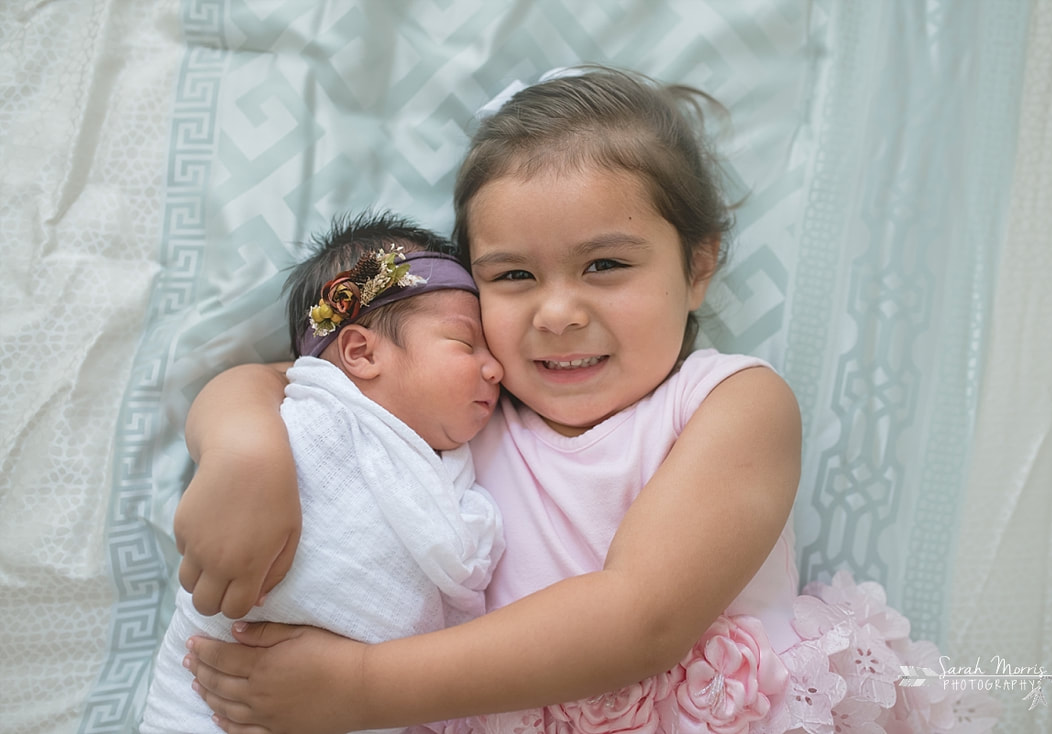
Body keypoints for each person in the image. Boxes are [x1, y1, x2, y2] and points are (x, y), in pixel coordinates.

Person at [174, 67, 998, 734]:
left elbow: (640, 615)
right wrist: (247, 451)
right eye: (513, 276)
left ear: (699, 266)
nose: (558, 312)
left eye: (605, 266)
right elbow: (289, 384)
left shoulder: (730, 403)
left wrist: (360, 688)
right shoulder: (467, 403)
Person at [141, 211, 505, 734]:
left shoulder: (449, 465)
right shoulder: (314, 417)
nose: (495, 368)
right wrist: (243, 456)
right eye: (466, 344)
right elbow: (241, 394)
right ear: (360, 352)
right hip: (216, 693)